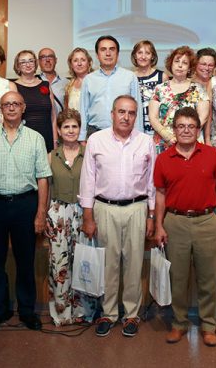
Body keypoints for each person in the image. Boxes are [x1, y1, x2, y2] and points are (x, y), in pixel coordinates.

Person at [0, 91, 52, 333]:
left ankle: (27, 311)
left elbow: (43, 178)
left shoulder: (36, 138)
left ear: (23, 107)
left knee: (25, 260)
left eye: (16, 104)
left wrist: (41, 213)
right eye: (7, 104)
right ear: (1, 108)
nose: (11, 108)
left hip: (25, 205)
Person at [79, 95, 155, 338]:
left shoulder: (145, 141)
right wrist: (88, 217)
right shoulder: (96, 140)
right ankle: (108, 313)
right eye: (121, 112)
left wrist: (151, 215)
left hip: (136, 207)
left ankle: (131, 314)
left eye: (131, 113)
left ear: (136, 116)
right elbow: (88, 179)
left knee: (134, 263)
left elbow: (152, 181)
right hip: (105, 207)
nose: (126, 117)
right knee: (108, 264)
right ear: (112, 114)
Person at [154, 106, 216, 347]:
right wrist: (159, 226)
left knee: (208, 278)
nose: (186, 130)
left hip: (207, 222)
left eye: (191, 126)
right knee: (178, 277)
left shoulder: (211, 154)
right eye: (181, 126)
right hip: (175, 222)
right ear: (174, 130)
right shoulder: (164, 159)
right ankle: (179, 324)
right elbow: (160, 194)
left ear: (197, 130)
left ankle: (208, 325)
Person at [45, 108, 98, 326]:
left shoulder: (89, 154)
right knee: (59, 263)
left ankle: (84, 312)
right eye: (66, 126)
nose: (70, 130)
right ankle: (62, 312)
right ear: (59, 130)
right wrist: (43, 215)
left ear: (80, 129)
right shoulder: (51, 156)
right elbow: (46, 188)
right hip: (58, 212)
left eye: (74, 126)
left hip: (84, 211)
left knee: (83, 262)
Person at [148, 46, 210, 153]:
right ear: (171, 64)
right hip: (164, 142)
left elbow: (203, 117)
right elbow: (153, 117)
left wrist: (185, 135)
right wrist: (168, 137)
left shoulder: (198, 89)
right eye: (177, 61)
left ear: (189, 68)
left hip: (190, 142)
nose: (180, 65)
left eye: (185, 63)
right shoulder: (160, 89)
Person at [78, 35, 141, 141]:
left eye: (112, 49)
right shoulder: (88, 79)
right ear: (97, 55)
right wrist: (82, 137)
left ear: (117, 54)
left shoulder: (130, 77)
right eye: (103, 50)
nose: (108, 53)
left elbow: (137, 109)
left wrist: (138, 136)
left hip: (124, 134)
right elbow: (83, 111)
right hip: (95, 133)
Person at [13, 50, 57, 152]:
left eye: (31, 61)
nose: (28, 64)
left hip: (46, 137)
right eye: (23, 62)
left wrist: (55, 140)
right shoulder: (13, 86)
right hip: (24, 139)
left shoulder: (46, 84)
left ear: (35, 63)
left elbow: (53, 116)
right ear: (18, 66)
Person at [132, 40, 168, 136]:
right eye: (140, 53)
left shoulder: (162, 76)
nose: (143, 57)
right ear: (135, 56)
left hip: (158, 131)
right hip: (135, 130)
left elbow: (166, 106)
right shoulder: (130, 77)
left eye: (147, 53)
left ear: (152, 56)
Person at [193, 48, 216, 138]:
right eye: (203, 64)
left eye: (210, 65)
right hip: (192, 132)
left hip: (214, 134)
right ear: (196, 64)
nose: (207, 68)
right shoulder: (187, 84)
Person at [64, 47, 94, 112]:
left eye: (83, 60)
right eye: (75, 60)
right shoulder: (68, 87)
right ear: (71, 65)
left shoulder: (95, 82)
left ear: (89, 63)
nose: (79, 64)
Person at [38, 47, 66, 115]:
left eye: (50, 56)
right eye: (43, 57)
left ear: (56, 60)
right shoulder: (34, 82)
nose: (47, 60)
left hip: (60, 121)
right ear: (38, 61)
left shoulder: (67, 83)